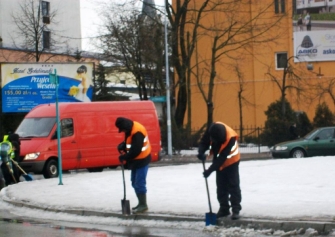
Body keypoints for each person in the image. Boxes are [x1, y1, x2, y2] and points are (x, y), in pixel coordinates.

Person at [197, 122, 242, 220]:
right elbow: (204, 142)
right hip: (219, 159)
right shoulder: (212, 130)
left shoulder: (230, 138)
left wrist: (209, 170)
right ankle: (224, 209)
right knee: (221, 186)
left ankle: (236, 209)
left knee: (233, 185)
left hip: (232, 161)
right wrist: (201, 152)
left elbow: (221, 159)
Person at [115, 117, 151, 214]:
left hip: (142, 160)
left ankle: (143, 205)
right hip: (136, 161)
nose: (122, 131)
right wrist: (123, 145)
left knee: (139, 182)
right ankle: (140, 203)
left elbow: (136, 150)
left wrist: (124, 157)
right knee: (134, 182)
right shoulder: (130, 129)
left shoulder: (137, 132)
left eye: (122, 130)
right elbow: (130, 143)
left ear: (125, 127)